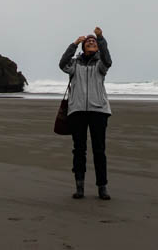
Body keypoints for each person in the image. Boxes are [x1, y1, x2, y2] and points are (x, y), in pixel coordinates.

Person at [59, 26, 113, 200]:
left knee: (99, 150)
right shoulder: (75, 64)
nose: (91, 42)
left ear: (97, 47)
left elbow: (108, 59)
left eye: (94, 42)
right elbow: (62, 64)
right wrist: (74, 43)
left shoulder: (101, 64)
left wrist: (101, 38)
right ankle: (79, 186)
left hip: (99, 110)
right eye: (88, 41)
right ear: (83, 47)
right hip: (77, 110)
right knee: (79, 150)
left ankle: (102, 187)